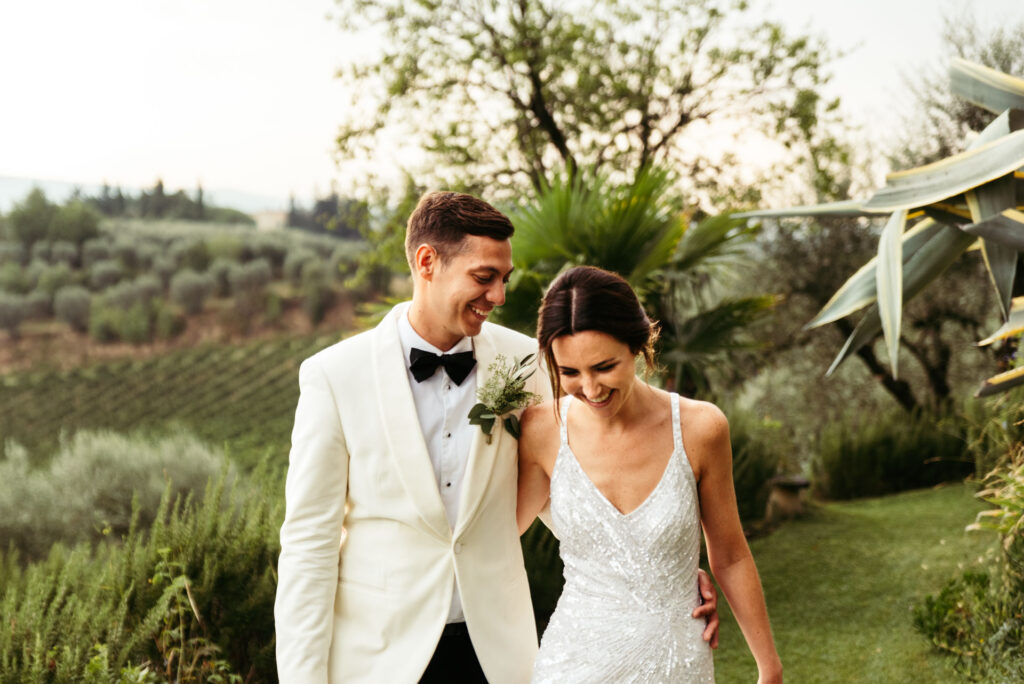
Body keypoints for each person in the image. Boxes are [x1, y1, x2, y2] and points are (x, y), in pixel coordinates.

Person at [275, 192, 720, 683]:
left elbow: (573, 480)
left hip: (497, 653)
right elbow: (309, 543)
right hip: (380, 657)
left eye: (504, 279)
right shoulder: (334, 376)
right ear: (427, 262)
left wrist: (658, 567)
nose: (500, 296)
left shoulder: (529, 362)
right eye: (484, 277)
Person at [517, 265, 782, 684]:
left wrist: (769, 668)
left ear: (639, 346)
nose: (590, 389)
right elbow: (491, 539)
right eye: (569, 373)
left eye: (604, 366)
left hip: (678, 661)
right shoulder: (540, 430)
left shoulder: (701, 428)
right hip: (573, 664)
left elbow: (730, 555)